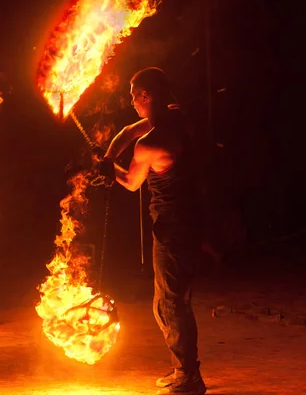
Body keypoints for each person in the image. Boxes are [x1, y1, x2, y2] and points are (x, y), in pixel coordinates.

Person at [99, 67, 206, 395]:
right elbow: (130, 130)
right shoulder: (176, 116)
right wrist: (108, 155)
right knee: (170, 300)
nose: (130, 100)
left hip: (171, 228)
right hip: (191, 220)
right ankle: (182, 369)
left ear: (147, 95)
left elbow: (131, 183)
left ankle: (189, 376)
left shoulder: (151, 144)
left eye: (133, 94)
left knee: (170, 303)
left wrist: (109, 170)